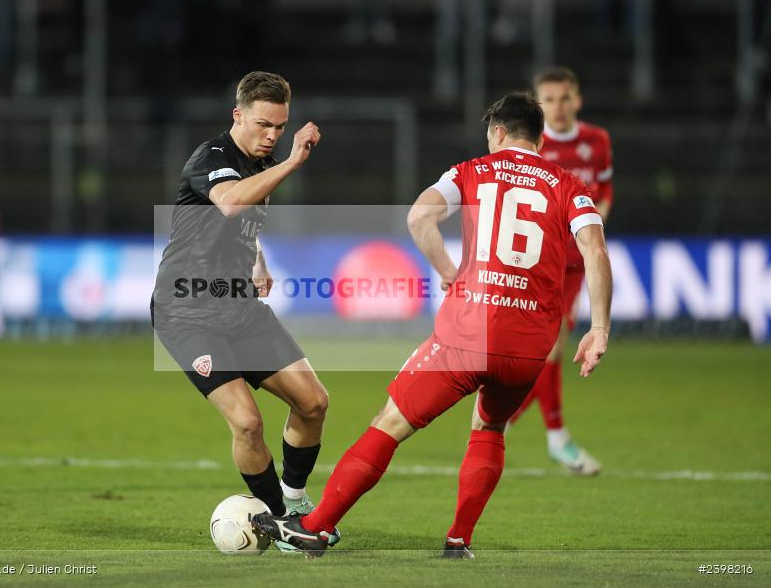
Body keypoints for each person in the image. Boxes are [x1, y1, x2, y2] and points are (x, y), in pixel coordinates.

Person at [252, 92, 613, 558]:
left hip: (470, 332)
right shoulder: (569, 185)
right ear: (540, 139)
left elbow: (420, 217)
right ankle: (459, 540)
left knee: (390, 423)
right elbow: (595, 251)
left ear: (498, 133)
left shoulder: (471, 171)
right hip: (530, 346)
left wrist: (448, 271)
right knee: (489, 428)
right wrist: (599, 328)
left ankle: (314, 529)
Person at [151, 71, 339, 551]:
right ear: (238, 116)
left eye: (280, 127)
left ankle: (294, 504)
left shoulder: (262, 161)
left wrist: (258, 259)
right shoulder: (210, 158)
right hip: (187, 311)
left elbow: (243, 224)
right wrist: (294, 161)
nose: (272, 136)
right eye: (263, 125)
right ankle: (279, 521)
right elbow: (230, 204)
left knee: (314, 401)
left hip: (239, 305)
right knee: (248, 422)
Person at [509, 67, 614, 476]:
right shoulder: (534, 144)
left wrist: (592, 225)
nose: (557, 106)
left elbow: (603, 190)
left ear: (577, 99)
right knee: (543, 349)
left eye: (564, 97)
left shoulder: (597, 141)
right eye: (548, 99)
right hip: (539, 262)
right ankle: (531, 425)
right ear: (538, 104)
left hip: (575, 266)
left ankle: (540, 430)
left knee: (550, 347)